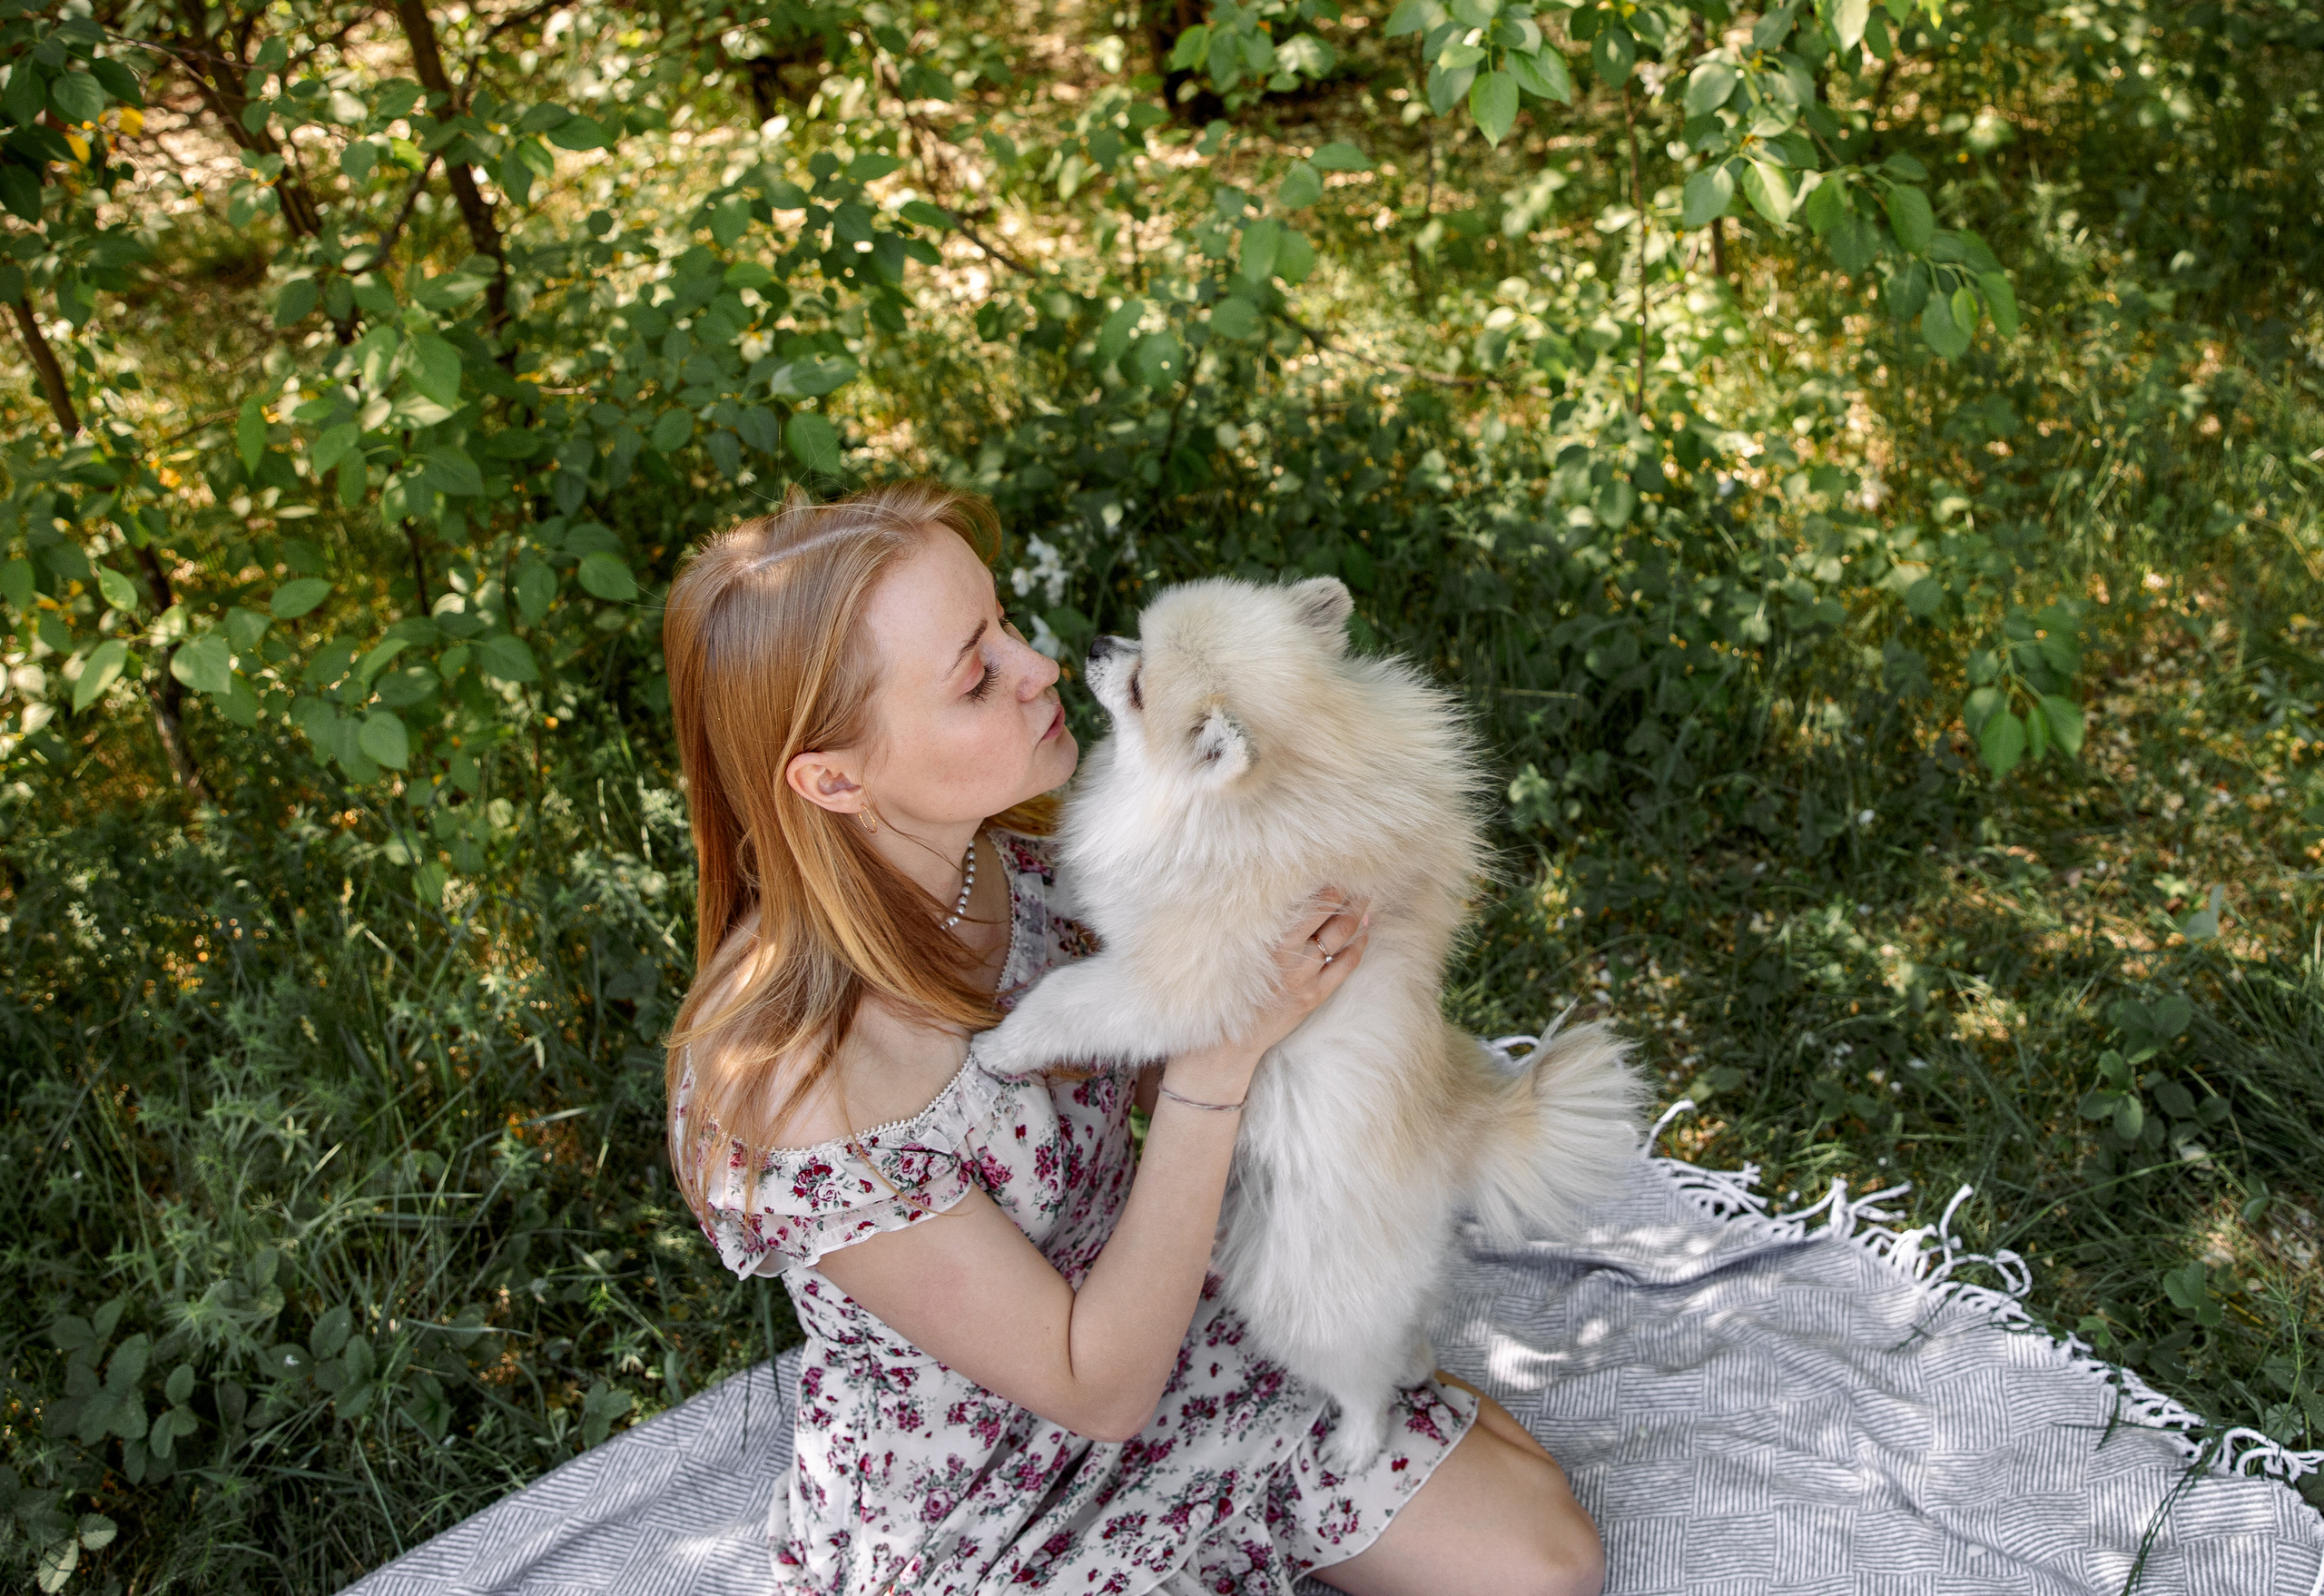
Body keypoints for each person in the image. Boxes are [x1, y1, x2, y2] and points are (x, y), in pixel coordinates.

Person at [662, 481, 1604, 1596]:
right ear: (835, 778)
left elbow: (1169, 1027)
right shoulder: (807, 1085)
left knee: (1549, 1564)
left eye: (1005, 624)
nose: (1040, 668)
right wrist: (1217, 1063)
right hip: (992, 1484)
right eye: (977, 676)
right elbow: (1090, 1384)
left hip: (1169, 1309)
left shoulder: (1011, 877)